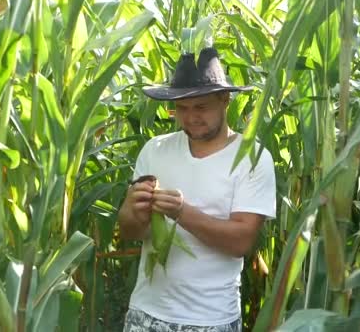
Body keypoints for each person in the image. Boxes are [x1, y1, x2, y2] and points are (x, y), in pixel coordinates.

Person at [118, 47, 276, 332]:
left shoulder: (252, 158)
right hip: (145, 314)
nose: (190, 118)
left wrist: (181, 212)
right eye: (182, 108)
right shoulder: (155, 150)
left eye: (201, 107)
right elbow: (132, 233)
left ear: (225, 100)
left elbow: (241, 242)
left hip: (209, 320)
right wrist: (133, 210)